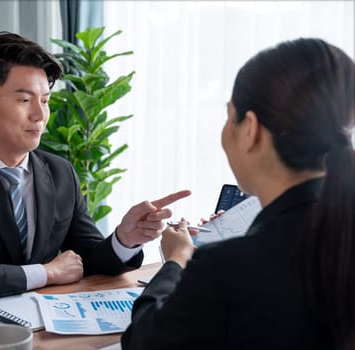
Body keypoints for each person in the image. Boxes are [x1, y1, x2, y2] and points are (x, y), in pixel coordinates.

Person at [0, 31, 189, 308]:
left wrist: (125, 239)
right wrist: (46, 272)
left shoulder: (59, 172)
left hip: (43, 321)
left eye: (44, 100)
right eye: (24, 100)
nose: (40, 115)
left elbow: (87, 258)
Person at [122, 38, 355, 350]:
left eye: (229, 115)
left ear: (251, 129)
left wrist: (177, 260)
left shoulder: (224, 268)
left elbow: (143, 342)